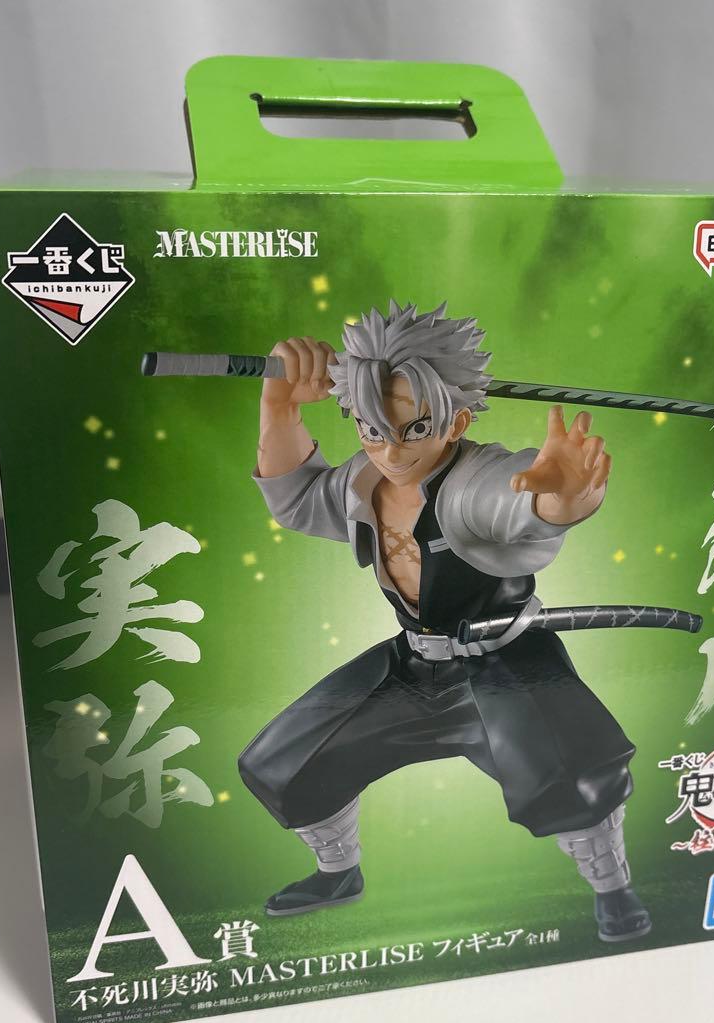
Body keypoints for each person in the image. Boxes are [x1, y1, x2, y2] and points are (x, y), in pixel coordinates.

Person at [238, 301, 650, 942]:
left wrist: (563, 494)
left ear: (456, 420)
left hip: (507, 661)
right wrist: (280, 407)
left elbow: (521, 499)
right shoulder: (362, 479)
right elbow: (297, 497)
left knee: (573, 774)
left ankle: (614, 889)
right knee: (288, 759)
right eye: (371, 429)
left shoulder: (477, 480)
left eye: (414, 429)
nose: (390, 450)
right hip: (414, 663)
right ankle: (338, 873)